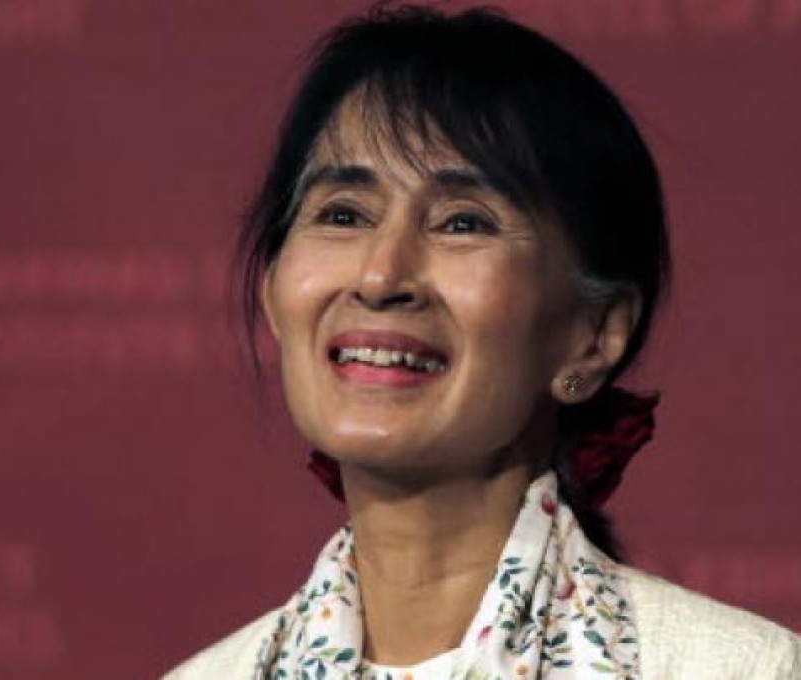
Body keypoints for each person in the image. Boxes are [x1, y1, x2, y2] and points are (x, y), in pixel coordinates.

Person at [166, 6, 801, 679]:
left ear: (595, 334)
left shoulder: (740, 669)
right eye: (343, 214)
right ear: (274, 293)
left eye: (462, 223)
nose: (382, 276)